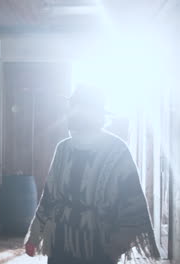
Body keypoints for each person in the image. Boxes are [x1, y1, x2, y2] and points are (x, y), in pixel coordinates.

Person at [24, 85, 160, 263]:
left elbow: (133, 204)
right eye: (71, 108)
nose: (71, 113)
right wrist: (35, 235)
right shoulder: (63, 149)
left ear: (93, 113)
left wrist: (117, 243)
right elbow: (49, 196)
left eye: (77, 108)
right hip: (60, 241)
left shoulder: (117, 151)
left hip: (99, 245)